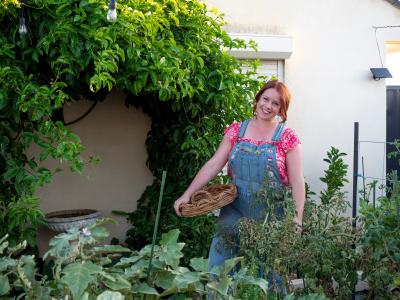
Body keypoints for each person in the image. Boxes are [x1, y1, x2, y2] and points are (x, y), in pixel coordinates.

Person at [173, 79, 305, 273]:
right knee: (219, 269)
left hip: (270, 216)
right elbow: (214, 164)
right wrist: (187, 194)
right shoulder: (237, 130)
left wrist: (296, 219)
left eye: (275, 103)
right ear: (257, 99)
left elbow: (297, 181)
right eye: (265, 99)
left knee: (268, 275)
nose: (268, 106)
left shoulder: (287, 138)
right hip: (234, 211)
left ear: (282, 109)